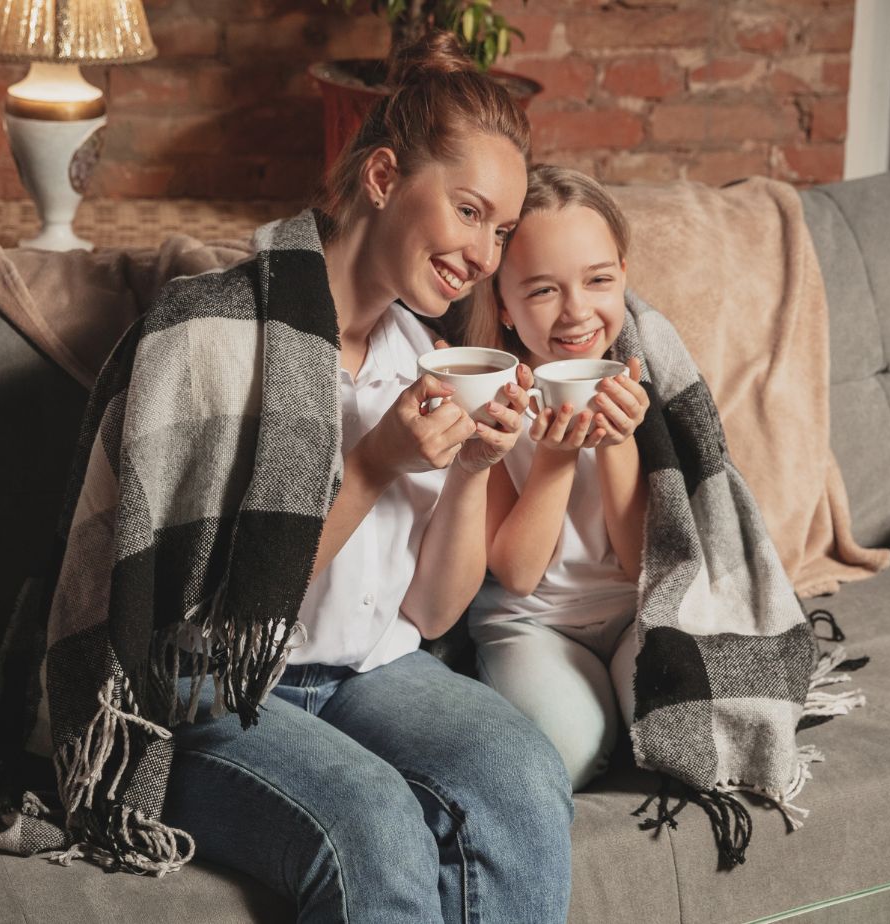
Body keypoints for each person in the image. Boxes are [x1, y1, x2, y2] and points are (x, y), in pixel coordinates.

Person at [159, 33, 573, 924]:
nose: (486, 256)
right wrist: (375, 462)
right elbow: (210, 615)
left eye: (500, 230)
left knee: (526, 775)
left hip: (368, 671)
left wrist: (472, 468)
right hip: (216, 689)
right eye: (469, 212)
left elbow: (427, 617)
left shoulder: (419, 358)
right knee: (376, 824)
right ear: (384, 178)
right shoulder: (225, 336)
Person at [463, 164, 653, 791]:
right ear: (506, 308)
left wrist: (619, 442)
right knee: (565, 750)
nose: (576, 313)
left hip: (635, 610)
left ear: (623, 276)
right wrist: (557, 455)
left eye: (597, 280)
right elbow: (516, 574)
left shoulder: (649, 385)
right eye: (543, 291)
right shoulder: (492, 402)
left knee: (683, 718)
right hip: (530, 619)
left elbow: (640, 564)